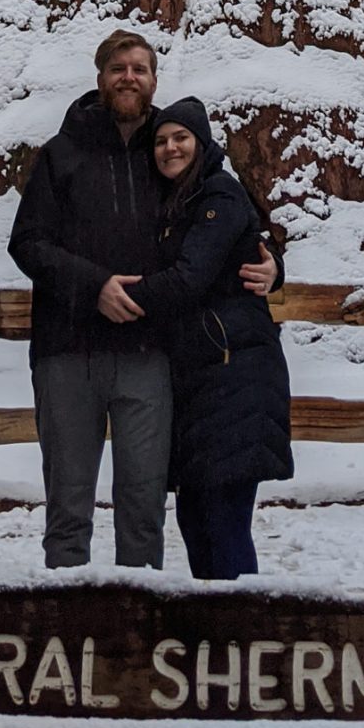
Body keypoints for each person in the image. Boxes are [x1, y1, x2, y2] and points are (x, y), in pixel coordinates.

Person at [7, 30, 275, 569]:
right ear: (100, 78)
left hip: (149, 355)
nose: (129, 77)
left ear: (154, 80)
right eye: (118, 68)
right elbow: (27, 243)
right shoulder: (63, 154)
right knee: (68, 509)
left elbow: (228, 221)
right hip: (68, 351)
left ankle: (136, 634)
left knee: (143, 506)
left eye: (140, 69)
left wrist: (274, 264)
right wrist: (94, 286)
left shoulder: (170, 149)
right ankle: (71, 630)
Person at [126, 97, 293, 580]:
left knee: (222, 518)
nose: (170, 148)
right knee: (196, 516)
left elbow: (190, 277)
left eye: (180, 138)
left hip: (234, 372)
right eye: (160, 140)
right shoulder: (178, 201)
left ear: (202, 143)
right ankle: (215, 637)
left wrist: (110, 295)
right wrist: (275, 264)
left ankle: (241, 638)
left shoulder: (217, 195)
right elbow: (258, 242)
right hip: (201, 377)